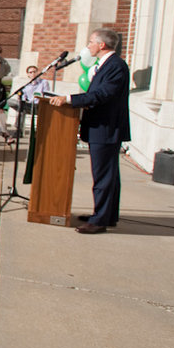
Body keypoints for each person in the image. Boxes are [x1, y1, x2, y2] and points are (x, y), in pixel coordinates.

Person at [50, 28, 131, 234]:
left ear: (102, 45)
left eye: (91, 42)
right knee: (108, 176)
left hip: (106, 128)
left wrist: (70, 99)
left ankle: (100, 220)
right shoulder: (106, 65)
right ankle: (106, 214)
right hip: (101, 127)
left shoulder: (116, 66)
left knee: (103, 176)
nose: (88, 46)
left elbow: (102, 94)